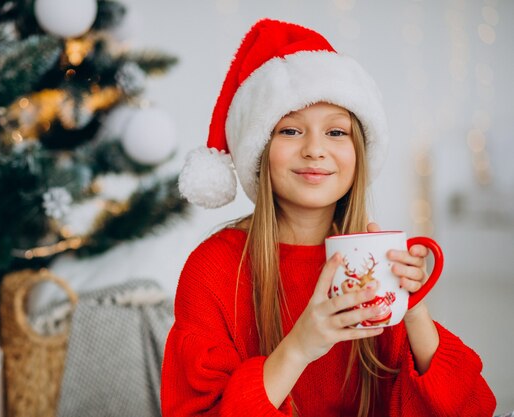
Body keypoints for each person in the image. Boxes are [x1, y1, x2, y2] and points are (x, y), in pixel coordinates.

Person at [162, 18, 497, 417]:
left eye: (336, 133)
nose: (314, 150)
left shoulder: (375, 266)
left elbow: (473, 407)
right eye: (290, 131)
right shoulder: (212, 270)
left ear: (359, 152)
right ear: (259, 152)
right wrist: (300, 346)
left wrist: (413, 309)